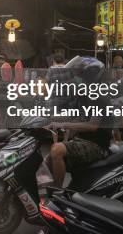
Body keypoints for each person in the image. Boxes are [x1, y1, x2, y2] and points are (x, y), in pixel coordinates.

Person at [46, 57, 112, 189]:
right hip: (82, 141)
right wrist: (46, 119)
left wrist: (63, 125)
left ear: (89, 76)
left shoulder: (97, 96)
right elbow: (72, 117)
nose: (76, 78)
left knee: (57, 150)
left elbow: (93, 126)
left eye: (79, 75)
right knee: (48, 159)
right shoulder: (83, 95)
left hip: (97, 146)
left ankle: (57, 192)